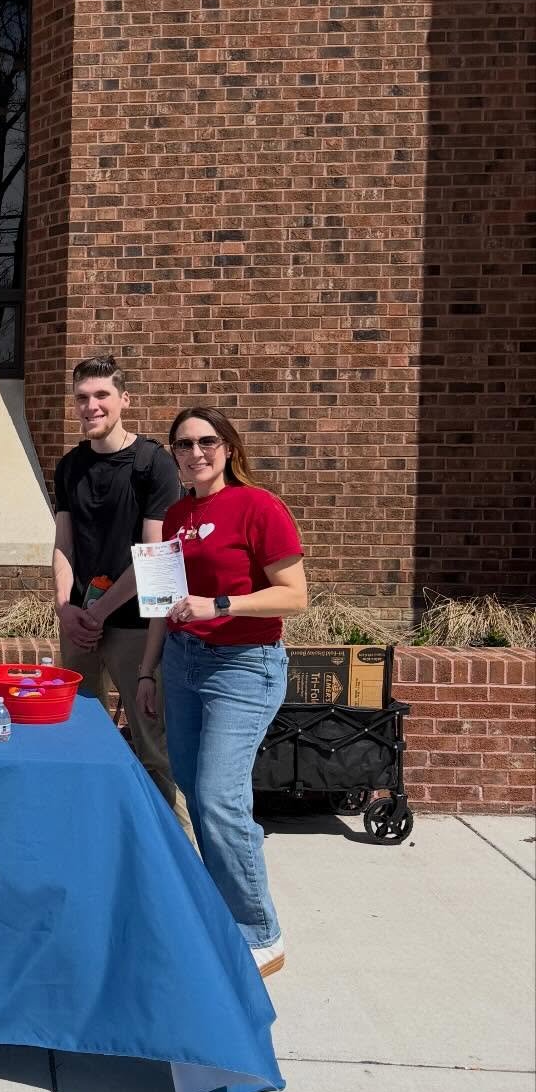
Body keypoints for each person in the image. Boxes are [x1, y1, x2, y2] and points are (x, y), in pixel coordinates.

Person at [137, 407, 308, 979]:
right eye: (183, 445)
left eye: (207, 442)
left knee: (218, 796)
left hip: (244, 665)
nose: (195, 453)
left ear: (228, 447)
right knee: (194, 786)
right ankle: (224, 910)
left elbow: (294, 596)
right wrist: (146, 673)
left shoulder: (260, 506)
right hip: (183, 664)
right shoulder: (177, 514)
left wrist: (222, 605)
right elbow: (163, 603)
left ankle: (261, 933)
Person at [50, 355, 193, 839]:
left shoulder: (154, 464)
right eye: (82, 398)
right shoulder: (69, 466)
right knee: (74, 737)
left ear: (124, 400)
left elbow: (154, 554)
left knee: (155, 748)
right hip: (81, 625)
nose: (91, 406)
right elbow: (63, 545)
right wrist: (66, 608)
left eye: (101, 396)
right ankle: (88, 839)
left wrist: (96, 611)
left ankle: (186, 863)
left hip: (136, 624)